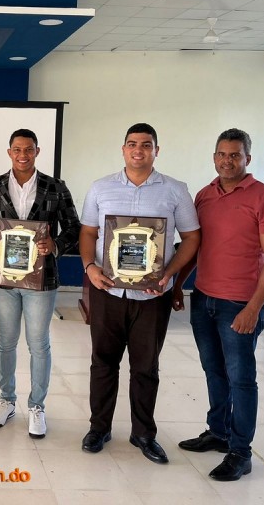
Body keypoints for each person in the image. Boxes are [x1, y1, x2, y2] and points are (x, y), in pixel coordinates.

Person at [79, 123, 200, 464]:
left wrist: (169, 275)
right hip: (107, 292)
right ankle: (99, 428)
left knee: (146, 367)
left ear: (156, 151)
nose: (138, 150)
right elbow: (87, 233)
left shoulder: (175, 190)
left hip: (152, 297)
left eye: (146, 145)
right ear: (123, 149)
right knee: (103, 363)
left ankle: (144, 433)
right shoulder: (100, 188)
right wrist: (89, 267)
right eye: (132, 144)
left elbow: (192, 238)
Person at [174, 129, 264, 481]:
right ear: (214, 157)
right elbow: (195, 246)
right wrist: (178, 285)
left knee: (242, 379)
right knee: (214, 370)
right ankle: (219, 432)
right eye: (222, 154)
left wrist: (253, 308)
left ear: (247, 159)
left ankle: (240, 452)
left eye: (235, 155)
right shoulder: (205, 195)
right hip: (203, 298)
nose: (227, 161)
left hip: (239, 303)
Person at [0, 129, 81, 439]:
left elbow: (74, 227)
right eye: (17, 149)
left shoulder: (55, 187)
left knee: (38, 344)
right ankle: (7, 401)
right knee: (5, 341)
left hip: (42, 280)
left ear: (37, 151)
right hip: (3, 280)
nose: (23, 155)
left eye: (29, 149)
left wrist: (56, 244)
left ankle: (37, 406)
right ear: (9, 151)